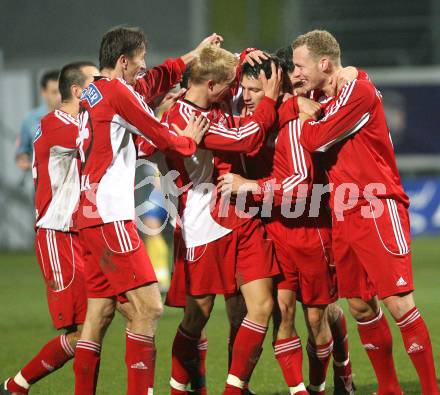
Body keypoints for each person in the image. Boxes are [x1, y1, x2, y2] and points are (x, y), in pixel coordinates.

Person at [294, 30, 439, 395]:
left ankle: (430, 388)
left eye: (301, 65)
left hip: (376, 205)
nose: (297, 73)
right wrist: (304, 105)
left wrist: (307, 117)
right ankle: (389, 388)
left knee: (397, 302)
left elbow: (314, 139)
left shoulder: (358, 90)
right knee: (359, 304)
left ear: (324, 63)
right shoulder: (320, 95)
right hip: (344, 211)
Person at [72, 26, 210, 395]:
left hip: (87, 214)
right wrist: (187, 141)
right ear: (122, 62)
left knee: (100, 316)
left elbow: (146, 93)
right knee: (150, 308)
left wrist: (189, 57)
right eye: (139, 62)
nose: (143, 69)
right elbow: (157, 132)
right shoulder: (118, 91)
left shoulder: (92, 91)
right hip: (109, 214)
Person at [219, 55, 356, 395]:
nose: (246, 96)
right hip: (273, 229)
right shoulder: (256, 116)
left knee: (319, 317)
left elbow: (299, 185)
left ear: (273, 84)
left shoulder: (295, 119)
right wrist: (242, 55)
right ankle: (302, 389)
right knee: (283, 311)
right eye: (244, 89)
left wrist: (248, 186)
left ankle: (336, 375)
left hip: (311, 230)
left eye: (254, 89)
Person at [162, 45, 281, 395]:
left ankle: (233, 389)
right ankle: (177, 389)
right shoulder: (185, 119)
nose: (238, 91)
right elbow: (244, 139)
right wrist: (270, 101)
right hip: (203, 221)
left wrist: (248, 55)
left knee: (260, 305)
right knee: (197, 316)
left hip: (239, 214)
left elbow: (236, 65)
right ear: (212, 84)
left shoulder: (210, 100)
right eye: (232, 84)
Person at [1, 61, 99, 395]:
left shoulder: (74, 121)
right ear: (77, 90)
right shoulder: (58, 124)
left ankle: (17, 385)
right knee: (84, 330)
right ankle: (18, 384)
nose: (102, 86)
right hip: (59, 235)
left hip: (82, 232)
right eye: (96, 81)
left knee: (99, 320)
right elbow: (103, 136)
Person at [15, 70, 61, 170]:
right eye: (54, 92)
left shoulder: (77, 115)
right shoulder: (30, 119)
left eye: (61, 91)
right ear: (43, 92)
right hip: (41, 180)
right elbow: (22, 149)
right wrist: (23, 159)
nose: (59, 97)